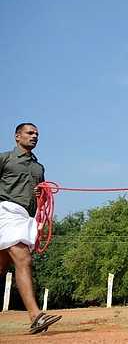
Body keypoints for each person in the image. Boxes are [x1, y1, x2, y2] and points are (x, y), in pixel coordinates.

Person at [0, 123, 61, 333]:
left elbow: (42, 199)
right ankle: (36, 317)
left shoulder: (38, 167)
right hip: (5, 212)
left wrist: (40, 201)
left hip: (26, 218)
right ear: (17, 136)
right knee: (24, 259)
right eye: (30, 133)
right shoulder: (4, 158)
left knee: (1, 267)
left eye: (37, 134)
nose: (34, 136)